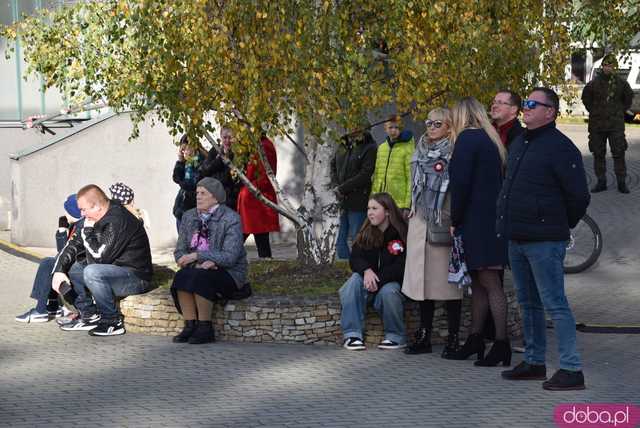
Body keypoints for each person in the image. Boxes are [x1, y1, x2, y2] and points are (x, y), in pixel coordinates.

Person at [498, 88, 590, 391]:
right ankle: (535, 362)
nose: (525, 108)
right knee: (528, 303)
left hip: (544, 240)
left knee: (555, 303)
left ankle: (571, 368)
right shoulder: (521, 141)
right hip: (517, 237)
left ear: (550, 112)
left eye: (531, 104)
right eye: (525, 103)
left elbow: (578, 196)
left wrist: (558, 225)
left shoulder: (561, 148)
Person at [446, 97, 511, 367]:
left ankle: (501, 343)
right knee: (480, 281)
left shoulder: (467, 140)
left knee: (489, 282)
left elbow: (460, 185)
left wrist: (455, 219)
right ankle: (475, 339)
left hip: (476, 221)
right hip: (492, 220)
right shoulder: (490, 139)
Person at [52, 184, 154, 336]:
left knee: (92, 271)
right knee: (72, 268)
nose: (81, 213)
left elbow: (100, 258)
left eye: (83, 209)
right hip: (113, 270)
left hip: (135, 276)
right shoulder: (93, 217)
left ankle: (112, 321)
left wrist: (87, 231)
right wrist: (59, 271)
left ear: (97, 207)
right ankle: (89, 315)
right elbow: (72, 245)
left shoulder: (117, 220)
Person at [402, 108, 462, 357]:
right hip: (419, 222)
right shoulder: (420, 148)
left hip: (442, 219)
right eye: (428, 122)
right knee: (422, 284)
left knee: (449, 284)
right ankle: (424, 333)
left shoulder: (454, 151)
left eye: (438, 123)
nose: (431, 127)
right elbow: (414, 184)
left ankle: (454, 336)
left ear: (449, 126)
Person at [171, 177, 248, 344]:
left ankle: (205, 327)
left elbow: (230, 256)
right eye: (197, 193)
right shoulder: (189, 216)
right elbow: (180, 251)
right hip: (198, 267)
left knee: (201, 278)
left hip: (229, 272)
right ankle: (190, 325)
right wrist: (193, 262)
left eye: (203, 193)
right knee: (182, 276)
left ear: (215, 197)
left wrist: (200, 256)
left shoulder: (230, 218)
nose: (198, 196)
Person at [339, 192, 408, 351]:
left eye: (375, 208)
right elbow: (355, 258)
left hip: (390, 286)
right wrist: (367, 271)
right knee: (353, 282)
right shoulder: (366, 232)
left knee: (389, 291)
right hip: (367, 285)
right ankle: (352, 335)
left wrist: (377, 279)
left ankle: (396, 337)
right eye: (369, 208)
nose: (370, 212)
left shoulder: (401, 234)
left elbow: (401, 266)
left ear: (388, 211)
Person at [15, 194, 92, 323]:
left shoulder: (82, 227)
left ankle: (40, 310)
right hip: (74, 264)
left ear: (74, 212)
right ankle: (52, 306)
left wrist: (63, 232)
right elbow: (62, 252)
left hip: (80, 267)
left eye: (67, 211)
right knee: (51, 263)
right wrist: (62, 231)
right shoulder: (75, 225)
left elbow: (64, 253)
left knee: (48, 263)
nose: (65, 215)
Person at [582, 54, 634, 194]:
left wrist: (620, 110)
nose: (608, 68)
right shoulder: (593, 84)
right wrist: (594, 110)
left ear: (614, 67)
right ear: (602, 66)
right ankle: (601, 181)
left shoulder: (621, 83)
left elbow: (629, 97)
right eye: (606, 65)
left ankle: (621, 182)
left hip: (615, 125)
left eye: (611, 66)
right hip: (597, 125)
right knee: (598, 153)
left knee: (619, 152)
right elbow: (585, 98)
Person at [330, 130, 377, 259]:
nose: (351, 129)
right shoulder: (343, 144)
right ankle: (345, 266)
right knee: (339, 238)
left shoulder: (370, 147)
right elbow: (333, 165)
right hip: (340, 200)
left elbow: (365, 174)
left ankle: (359, 267)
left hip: (358, 199)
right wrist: (335, 186)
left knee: (358, 236)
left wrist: (342, 188)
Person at [237, 133, 280, 258]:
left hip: (257, 202)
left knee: (255, 238)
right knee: (257, 239)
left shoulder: (264, 146)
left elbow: (266, 177)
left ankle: (222, 264)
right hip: (252, 201)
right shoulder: (255, 145)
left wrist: (248, 188)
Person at [371, 115, 415, 212]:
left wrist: (407, 205)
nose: (393, 130)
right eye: (390, 127)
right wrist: (373, 198)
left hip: (398, 203)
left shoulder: (407, 148)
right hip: (380, 201)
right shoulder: (382, 148)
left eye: (397, 127)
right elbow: (377, 176)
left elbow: (410, 177)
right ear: (385, 129)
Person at [199, 127, 241, 210]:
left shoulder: (238, 153)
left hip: (230, 199)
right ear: (221, 137)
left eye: (230, 138)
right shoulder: (215, 150)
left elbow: (232, 179)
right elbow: (205, 171)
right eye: (225, 137)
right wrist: (220, 159)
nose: (227, 141)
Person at [173, 135, 206, 229]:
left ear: (193, 147)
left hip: (196, 209)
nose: (183, 152)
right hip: (181, 211)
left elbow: (192, 184)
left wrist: (181, 182)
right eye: (181, 150)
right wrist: (180, 161)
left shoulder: (201, 162)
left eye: (185, 149)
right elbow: (176, 178)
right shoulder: (186, 163)